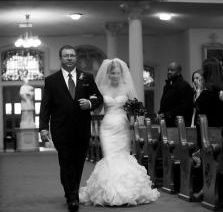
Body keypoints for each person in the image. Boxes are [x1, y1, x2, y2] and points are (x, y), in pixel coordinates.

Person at [79, 58, 160, 206]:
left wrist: (135, 111)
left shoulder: (127, 88)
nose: (115, 75)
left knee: (122, 156)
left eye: (117, 72)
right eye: (112, 73)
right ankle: (108, 193)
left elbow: (135, 107)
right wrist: (92, 102)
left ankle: (126, 191)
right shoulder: (102, 88)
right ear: (108, 74)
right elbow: (97, 109)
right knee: (109, 157)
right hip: (107, 126)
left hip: (122, 126)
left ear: (121, 73)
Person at [39, 45, 103, 211]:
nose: (69, 58)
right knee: (66, 162)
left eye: (72, 55)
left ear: (76, 58)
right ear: (60, 58)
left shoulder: (87, 77)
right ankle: (72, 197)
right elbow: (45, 106)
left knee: (78, 163)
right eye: (66, 55)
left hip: (82, 128)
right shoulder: (51, 80)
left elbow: (98, 97)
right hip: (61, 129)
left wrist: (90, 103)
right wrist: (43, 128)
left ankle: (70, 190)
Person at [157, 62, 194, 127]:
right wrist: (160, 113)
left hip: (179, 124)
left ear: (179, 72)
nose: (169, 72)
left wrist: (167, 114)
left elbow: (185, 106)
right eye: (168, 70)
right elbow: (164, 103)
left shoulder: (184, 86)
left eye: (172, 70)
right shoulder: (167, 86)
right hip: (167, 122)